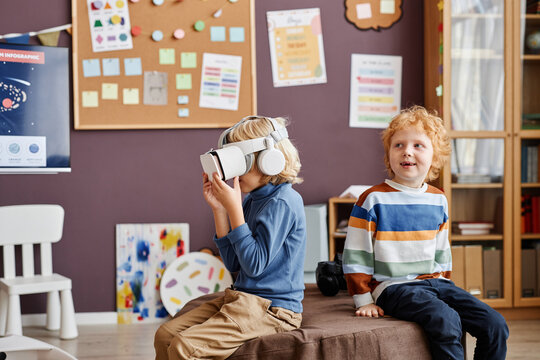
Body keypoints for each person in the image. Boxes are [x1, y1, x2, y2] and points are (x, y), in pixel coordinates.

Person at [342, 106, 509, 359]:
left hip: (437, 282)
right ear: (389, 155)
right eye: (399, 145)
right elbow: (356, 253)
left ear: (435, 156)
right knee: (446, 319)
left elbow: (442, 249)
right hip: (394, 287)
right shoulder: (373, 199)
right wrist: (363, 300)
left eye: (418, 145)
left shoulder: (438, 199)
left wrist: (445, 282)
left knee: (495, 324)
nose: (407, 151)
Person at [154, 116, 306, 360]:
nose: (232, 172)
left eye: (240, 162)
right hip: (242, 298)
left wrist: (235, 209)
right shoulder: (253, 199)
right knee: (166, 335)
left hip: (273, 310)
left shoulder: (283, 201)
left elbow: (254, 266)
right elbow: (235, 264)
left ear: (269, 159)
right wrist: (220, 211)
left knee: (184, 347)